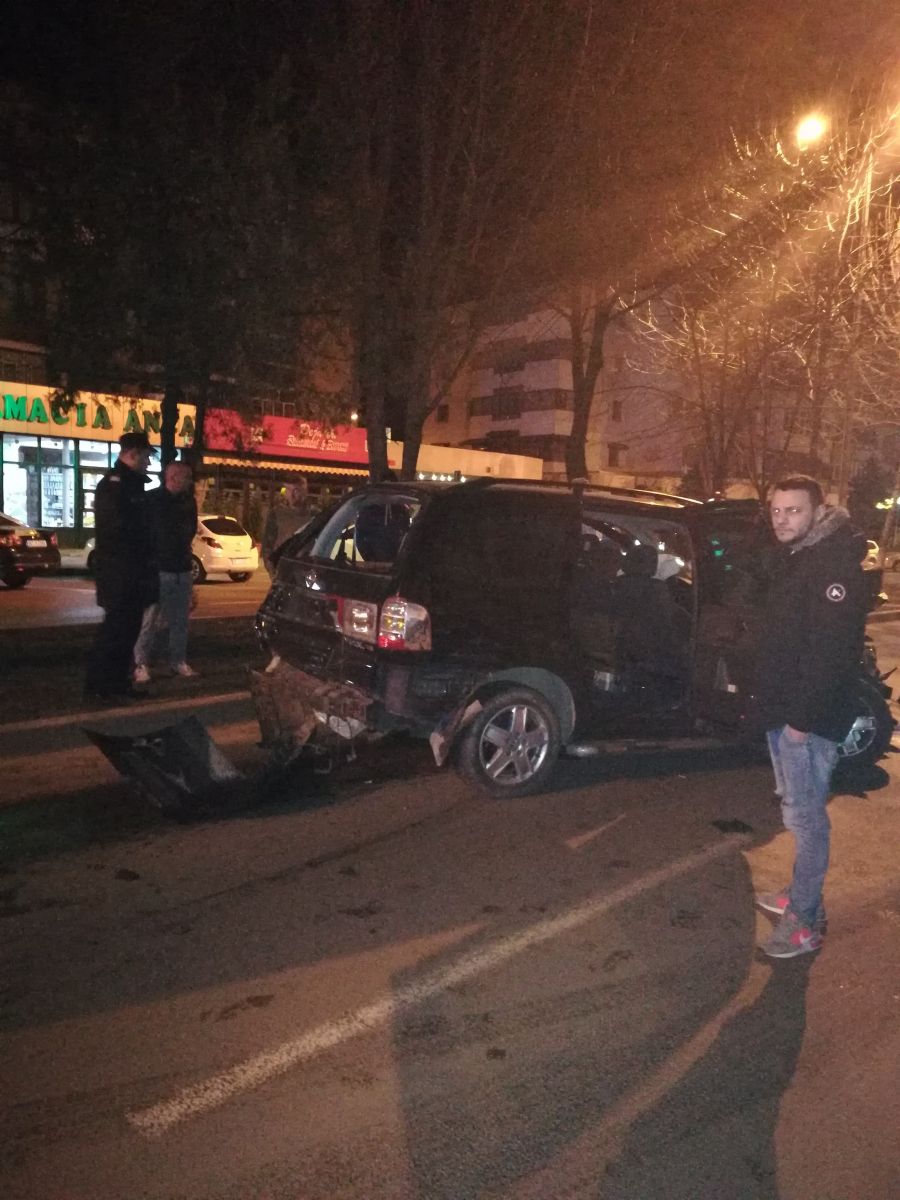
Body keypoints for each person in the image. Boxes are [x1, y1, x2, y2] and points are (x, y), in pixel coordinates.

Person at [752, 475, 868, 959]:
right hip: (786, 712)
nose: (782, 520)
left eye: (794, 510)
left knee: (806, 818)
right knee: (795, 811)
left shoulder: (832, 567)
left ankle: (804, 920)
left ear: (819, 512)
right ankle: (798, 895)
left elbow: (830, 655)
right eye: (777, 511)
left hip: (808, 721)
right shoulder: (799, 556)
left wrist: (799, 723)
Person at [84, 430, 158, 703]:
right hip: (120, 574)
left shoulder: (130, 485)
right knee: (115, 631)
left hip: (133, 573)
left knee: (128, 631)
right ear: (133, 455)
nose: (148, 462)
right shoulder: (114, 486)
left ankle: (118, 683)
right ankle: (100, 687)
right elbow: (117, 531)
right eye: (146, 457)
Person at [133, 459, 199, 682]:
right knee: (150, 619)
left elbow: (190, 531)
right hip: (159, 568)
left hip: (182, 568)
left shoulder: (188, 502)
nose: (189, 482)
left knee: (180, 620)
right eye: (186, 477)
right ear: (173, 477)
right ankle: (140, 663)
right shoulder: (152, 501)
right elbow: (145, 536)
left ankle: (178, 660)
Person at [262, 477, 314, 577]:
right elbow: (267, 547)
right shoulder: (276, 514)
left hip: (305, 572)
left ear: (305, 492)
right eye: (289, 490)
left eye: (297, 490)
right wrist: (273, 572)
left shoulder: (314, 516)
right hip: (282, 573)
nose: (293, 495)